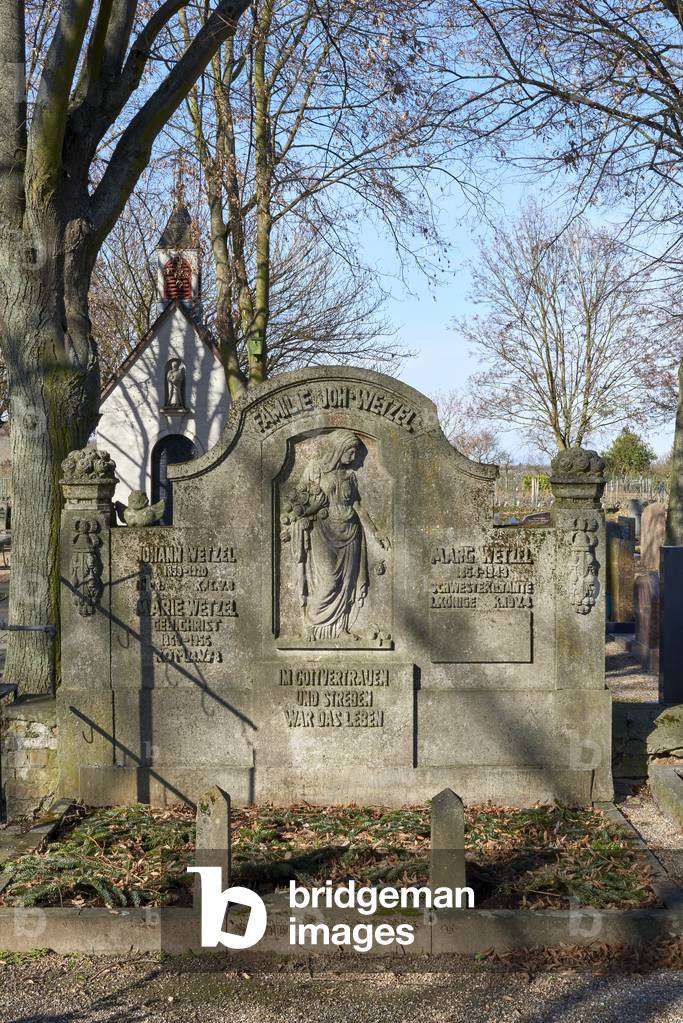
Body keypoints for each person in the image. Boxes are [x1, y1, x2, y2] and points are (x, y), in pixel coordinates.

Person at [283, 429, 390, 641]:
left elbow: (358, 507)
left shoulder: (350, 476)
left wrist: (376, 532)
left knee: (346, 584)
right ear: (339, 449)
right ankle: (311, 624)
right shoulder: (315, 470)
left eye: (354, 452)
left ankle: (339, 629)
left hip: (351, 532)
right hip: (323, 532)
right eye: (351, 452)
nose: (354, 458)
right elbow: (299, 506)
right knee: (330, 580)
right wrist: (311, 509)